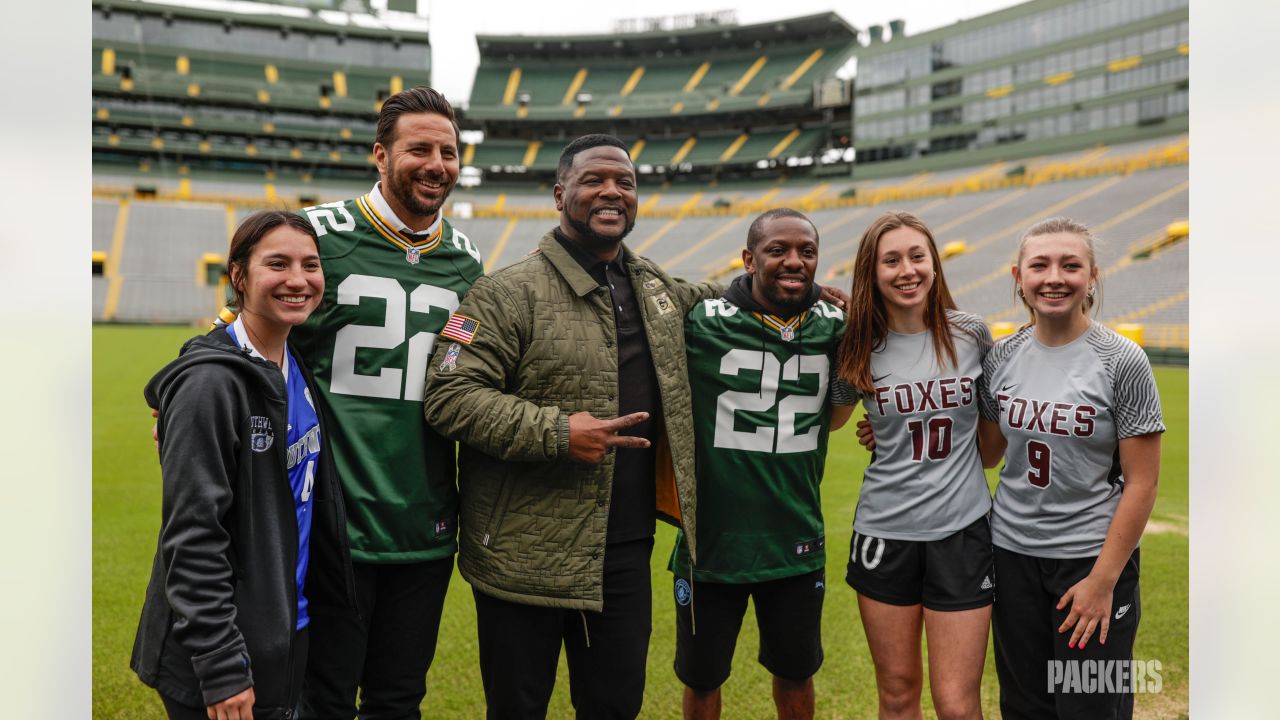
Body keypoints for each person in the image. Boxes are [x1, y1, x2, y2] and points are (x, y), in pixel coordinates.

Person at [197, 86, 481, 718]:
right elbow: (235, 331)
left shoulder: (466, 259)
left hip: (426, 521)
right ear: (380, 156)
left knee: (399, 698)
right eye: (419, 149)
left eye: (449, 150)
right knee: (322, 699)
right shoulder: (319, 235)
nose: (437, 163)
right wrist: (174, 391)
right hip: (329, 523)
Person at [421, 133, 722, 719]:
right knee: (517, 710)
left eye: (625, 183)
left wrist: (806, 294)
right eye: (594, 181)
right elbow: (448, 394)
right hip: (521, 557)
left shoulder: (655, 288)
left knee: (615, 707)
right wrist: (559, 433)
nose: (612, 192)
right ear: (560, 195)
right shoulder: (503, 293)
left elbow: (719, 298)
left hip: (624, 553)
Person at [132, 210, 357, 720]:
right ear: (238, 275)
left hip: (286, 627)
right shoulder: (210, 385)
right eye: (277, 263)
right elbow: (193, 536)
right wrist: (220, 665)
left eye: (310, 264)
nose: (298, 280)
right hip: (224, 648)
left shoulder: (293, 362)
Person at [668, 208, 855, 720]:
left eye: (807, 251)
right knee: (702, 677)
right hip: (712, 543)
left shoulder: (839, 326)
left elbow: (842, 412)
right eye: (778, 250)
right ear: (749, 259)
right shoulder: (701, 321)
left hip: (794, 539)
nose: (794, 261)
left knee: (796, 673)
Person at [979, 217, 1163, 719]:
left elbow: (1142, 482)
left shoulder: (1122, 360)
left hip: (1090, 560)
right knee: (1025, 706)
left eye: (1070, 265)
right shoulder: (1001, 357)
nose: (1054, 277)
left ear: (1093, 275)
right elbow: (988, 453)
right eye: (1039, 265)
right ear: (1019, 276)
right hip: (1012, 557)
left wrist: (1104, 581)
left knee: (1090, 707)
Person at [837, 211, 1003, 720]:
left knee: (956, 703)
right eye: (891, 260)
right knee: (898, 695)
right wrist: (886, 431)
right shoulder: (856, 346)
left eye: (917, 256)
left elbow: (992, 452)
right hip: (885, 534)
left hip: (963, 532)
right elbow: (830, 421)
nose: (906, 270)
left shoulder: (973, 335)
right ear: (872, 271)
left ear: (935, 263)